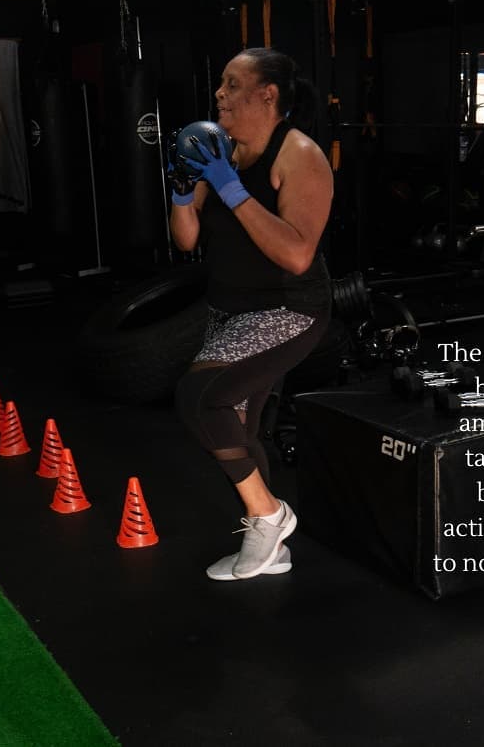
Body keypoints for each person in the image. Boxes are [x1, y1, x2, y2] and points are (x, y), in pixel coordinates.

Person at [169, 48, 333, 581]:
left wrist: (232, 189)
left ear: (268, 95)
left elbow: (297, 254)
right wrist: (181, 191)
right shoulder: (216, 146)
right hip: (228, 308)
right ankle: (271, 550)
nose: (220, 93)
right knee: (237, 429)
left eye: (232, 84)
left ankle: (269, 515)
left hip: (287, 309)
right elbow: (186, 239)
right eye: (221, 83)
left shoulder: (299, 154)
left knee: (200, 397)